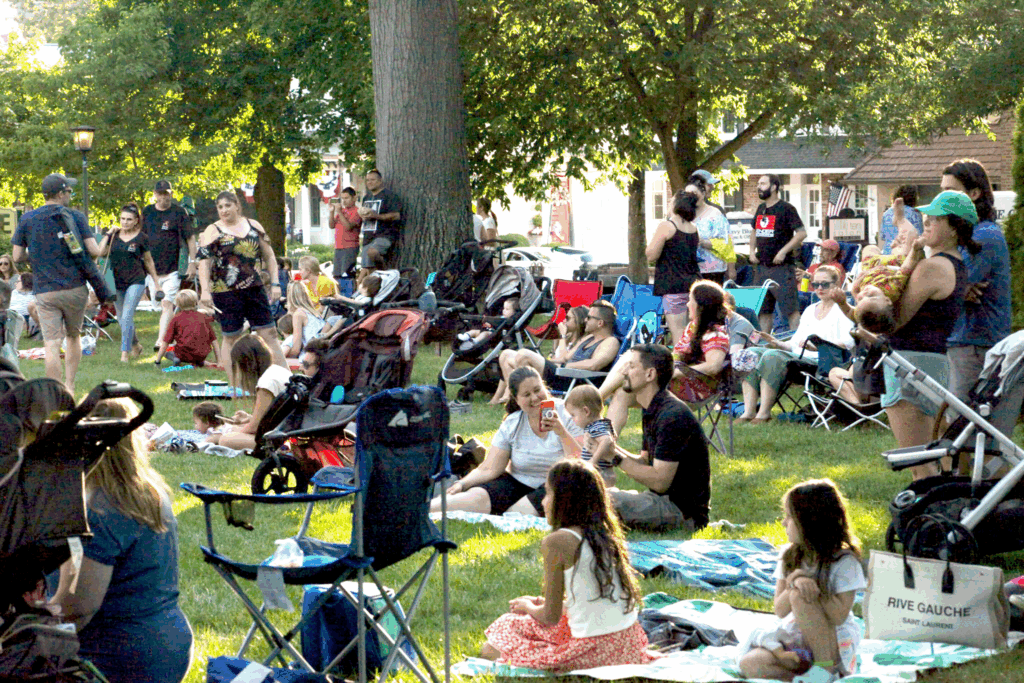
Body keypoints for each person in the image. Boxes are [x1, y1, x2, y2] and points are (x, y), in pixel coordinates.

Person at [50, 398, 194, 683]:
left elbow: (77, 608)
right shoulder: (149, 490)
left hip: (117, 656)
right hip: (166, 643)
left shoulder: (98, 509)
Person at [480, 460, 654, 672]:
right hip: (630, 644)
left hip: (597, 652)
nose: (543, 502)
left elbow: (549, 618)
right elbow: (592, 599)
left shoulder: (558, 542)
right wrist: (542, 603)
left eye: (547, 494)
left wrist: (529, 607)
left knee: (492, 646)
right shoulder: (605, 535)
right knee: (516, 623)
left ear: (564, 500)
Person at [873, 192, 974, 479]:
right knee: (936, 463)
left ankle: (935, 520)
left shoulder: (932, 267)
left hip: (909, 367)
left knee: (919, 467)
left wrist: (875, 286)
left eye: (936, 218)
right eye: (927, 216)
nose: (927, 221)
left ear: (954, 228)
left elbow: (892, 321)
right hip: (931, 364)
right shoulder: (954, 265)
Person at [738, 479, 864, 683]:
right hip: (797, 638)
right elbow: (779, 610)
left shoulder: (844, 562)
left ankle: (826, 669)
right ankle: (806, 679)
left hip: (831, 642)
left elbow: (838, 616)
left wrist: (811, 587)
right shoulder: (789, 555)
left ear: (810, 521)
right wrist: (795, 579)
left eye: (789, 516)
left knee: (799, 595)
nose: (783, 522)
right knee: (750, 664)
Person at [432, 366, 582, 516]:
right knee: (476, 498)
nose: (535, 398)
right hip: (518, 482)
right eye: (527, 394)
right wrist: (462, 483)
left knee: (514, 514)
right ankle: (417, 510)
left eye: (537, 390)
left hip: (558, 484)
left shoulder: (567, 412)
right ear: (517, 400)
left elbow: (582, 463)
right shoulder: (512, 423)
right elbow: (489, 468)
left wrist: (561, 432)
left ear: (545, 387)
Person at [12, 173, 107, 394]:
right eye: (69, 192)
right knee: (73, 336)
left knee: (52, 343)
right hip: (75, 288)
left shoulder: (27, 219)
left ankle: (55, 393)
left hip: (45, 291)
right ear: (61, 193)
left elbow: (17, 256)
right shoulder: (76, 217)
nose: (71, 196)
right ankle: (70, 386)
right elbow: (94, 251)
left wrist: (38, 254)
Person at [600, 280, 729, 434]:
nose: (687, 305)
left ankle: (596, 398)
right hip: (673, 383)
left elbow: (714, 366)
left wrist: (675, 372)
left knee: (632, 357)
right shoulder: (693, 327)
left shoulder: (716, 333)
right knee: (624, 388)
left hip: (694, 390)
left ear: (701, 306)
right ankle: (606, 441)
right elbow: (677, 356)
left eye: (690, 301)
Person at [940, 160, 1014, 426]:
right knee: (958, 424)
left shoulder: (985, 236)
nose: (944, 198)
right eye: (942, 191)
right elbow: (953, 286)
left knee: (967, 425)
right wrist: (957, 290)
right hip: (962, 340)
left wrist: (953, 289)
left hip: (976, 344)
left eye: (952, 191)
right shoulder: (964, 236)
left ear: (975, 193)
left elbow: (948, 285)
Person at [607, 344, 710, 532]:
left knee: (596, 498)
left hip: (682, 513)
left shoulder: (672, 416)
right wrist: (609, 447)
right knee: (596, 492)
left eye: (631, 366)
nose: (624, 372)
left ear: (650, 375)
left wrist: (615, 456)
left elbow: (660, 482)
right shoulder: (652, 407)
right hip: (662, 501)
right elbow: (645, 462)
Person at [738, 265, 854, 424]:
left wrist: (820, 345)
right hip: (799, 356)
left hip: (824, 361)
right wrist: (776, 342)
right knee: (750, 352)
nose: (819, 288)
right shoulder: (810, 310)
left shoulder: (844, 310)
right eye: (815, 284)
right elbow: (794, 344)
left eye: (824, 284)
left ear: (837, 285)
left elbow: (849, 342)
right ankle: (748, 412)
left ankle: (763, 414)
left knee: (772, 356)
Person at [196, 191, 287, 389]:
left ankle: (286, 380)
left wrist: (275, 283)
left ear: (237, 205)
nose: (223, 210)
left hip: (254, 287)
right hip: (225, 291)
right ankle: (235, 386)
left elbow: (270, 257)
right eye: (220, 207)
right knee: (231, 337)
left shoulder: (254, 226)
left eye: (227, 205)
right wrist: (204, 291)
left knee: (269, 333)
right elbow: (204, 263)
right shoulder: (213, 230)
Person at [495, 301, 620, 401]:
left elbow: (594, 365)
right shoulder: (588, 338)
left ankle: (521, 398)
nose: (585, 320)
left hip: (576, 380)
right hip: (563, 372)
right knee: (507, 354)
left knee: (524, 355)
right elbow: (565, 358)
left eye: (589, 318)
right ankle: (515, 397)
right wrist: (548, 361)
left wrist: (566, 366)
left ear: (600, 323)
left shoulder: (610, 342)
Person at [207, 335, 294, 451]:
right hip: (287, 429)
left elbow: (255, 427)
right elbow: (269, 417)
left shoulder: (267, 382)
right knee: (233, 429)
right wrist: (249, 418)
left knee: (225, 438)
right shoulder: (277, 370)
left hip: (282, 438)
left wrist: (234, 430)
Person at [98, 203, 161, 362]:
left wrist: (157, 283)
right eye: (122, 219)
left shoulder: (142, 238)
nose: (124, 222)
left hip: (137, 280)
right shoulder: (114, 236)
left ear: (136, 221)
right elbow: (100, 252)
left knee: (126, 316)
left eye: (129, 219)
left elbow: (148, 261)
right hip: (117, 282)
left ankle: (124, 355)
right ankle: (136, 345)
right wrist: (107, 234)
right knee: (122, 319)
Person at [749, 174, 807, 333]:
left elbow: (802, 233)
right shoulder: (761, 208)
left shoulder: (786, 208)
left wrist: (783, 251)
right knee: (763, 311)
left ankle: (797, 345)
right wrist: (751, 251)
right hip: (762, 268)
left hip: (782, 269)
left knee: (791, 310)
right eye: (758, 183)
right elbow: (754, 231)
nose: (758, 187)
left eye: (762, 183)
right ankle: (763, 344)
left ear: (774, 187)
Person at [142, 180, 196, 349]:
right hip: (152, 270)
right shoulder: (147, 212)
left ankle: (161, 341)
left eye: (167, 193)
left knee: (167, 304)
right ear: (155, 194)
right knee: (158, 305)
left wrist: (192, 262)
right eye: (161, 194)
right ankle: (172, 335)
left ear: (171, 194)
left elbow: (190, 239)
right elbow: (139, 235)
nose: (164, 197)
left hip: (173, 268)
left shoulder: (179, 213)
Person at [649, 190, 700, 345]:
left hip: (673, 286)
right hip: (692, 284)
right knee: (691, 332)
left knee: (679, 334)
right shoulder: (693, 228)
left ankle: (681, 366)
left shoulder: (667, 226)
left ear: (676, 204)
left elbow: (651, 255)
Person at [564, 384, 616, 488]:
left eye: (573, 415)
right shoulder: (600, 424)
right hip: (601, 472)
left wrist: (593, 461)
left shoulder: (596, 426)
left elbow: (607, 441)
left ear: (586, 411)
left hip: (601, 473)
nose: (572, 419)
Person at [155, 289, 219, 367]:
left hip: (183, 354)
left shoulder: (176, 319)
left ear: (178, 304)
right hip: (202, 354)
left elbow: (166, 341)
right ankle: (200, 362)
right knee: (193, 348)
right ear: (196, 302)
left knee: (164, 348)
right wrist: (220, 361)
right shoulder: (203, 317)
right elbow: (214, 340)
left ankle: (176, 359)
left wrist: (157, 361)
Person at [687, 175, 731, 285]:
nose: (693, 197)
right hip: (689, 271)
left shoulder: (715, 214)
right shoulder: (682, 213)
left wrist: (702, 242)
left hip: (712, 271)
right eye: (689, 194)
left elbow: (726, 244)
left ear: (703, 193)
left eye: (696, 194)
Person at [358, 169, 404, 267]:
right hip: (368, 237)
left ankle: (384, 270)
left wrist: (376, 216)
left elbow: (396, 215)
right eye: (367, 180)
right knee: (368, 268)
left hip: (384, 235)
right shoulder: (366, 197)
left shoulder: (389, 195)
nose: (369, 182)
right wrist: (363, 216)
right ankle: (379, 279)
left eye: (372, 180)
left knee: (372, 252)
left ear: (380, 180)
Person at [280, 281, 327, 358]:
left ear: (290, 297)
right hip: (320, 352)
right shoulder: (314, 313)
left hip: (309, 356)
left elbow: (296, 350)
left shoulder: (299, 314)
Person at [879, 185, 923, 255]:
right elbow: (919, 236)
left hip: (887, 253)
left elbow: (883, 237)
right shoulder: (915, 213)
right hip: (906, 255)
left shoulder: (886, 213)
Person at [329, 187, 362, 281]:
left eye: (347, 198)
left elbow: (348, 227)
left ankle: (349, 294)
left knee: (347, 275)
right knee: (337, 275)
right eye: (342, 198)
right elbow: (331, 225)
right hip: (338, 246)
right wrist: (331, 212)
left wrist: (339, 212)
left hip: (350, 247)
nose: (344, 201)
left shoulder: (357, 211)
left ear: (354, 198)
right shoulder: (341, 212)